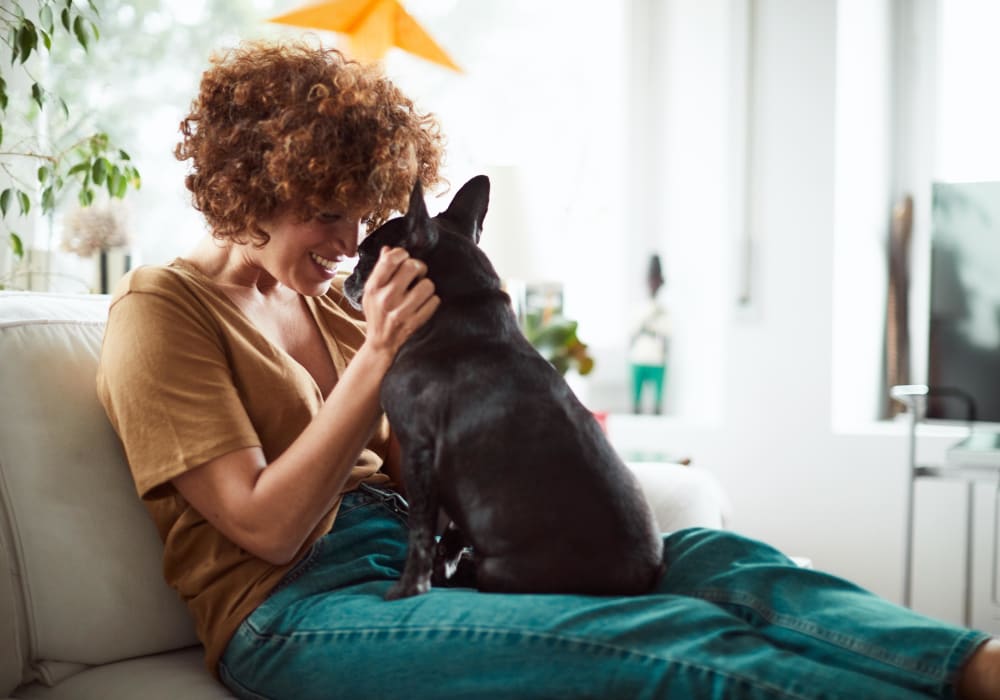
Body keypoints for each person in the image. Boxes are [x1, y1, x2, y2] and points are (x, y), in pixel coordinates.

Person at [96, 39, 1000, 699]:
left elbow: (428, 471)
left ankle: (973, 666)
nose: (347, 243)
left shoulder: (333, 303)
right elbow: (266, 528)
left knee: (714, 560)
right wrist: (380, 356)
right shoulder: (162, 314)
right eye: (325, 213)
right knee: (664, 638)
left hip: (429, 564)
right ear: (251, 179)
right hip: (295, 612)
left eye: (361, 214)